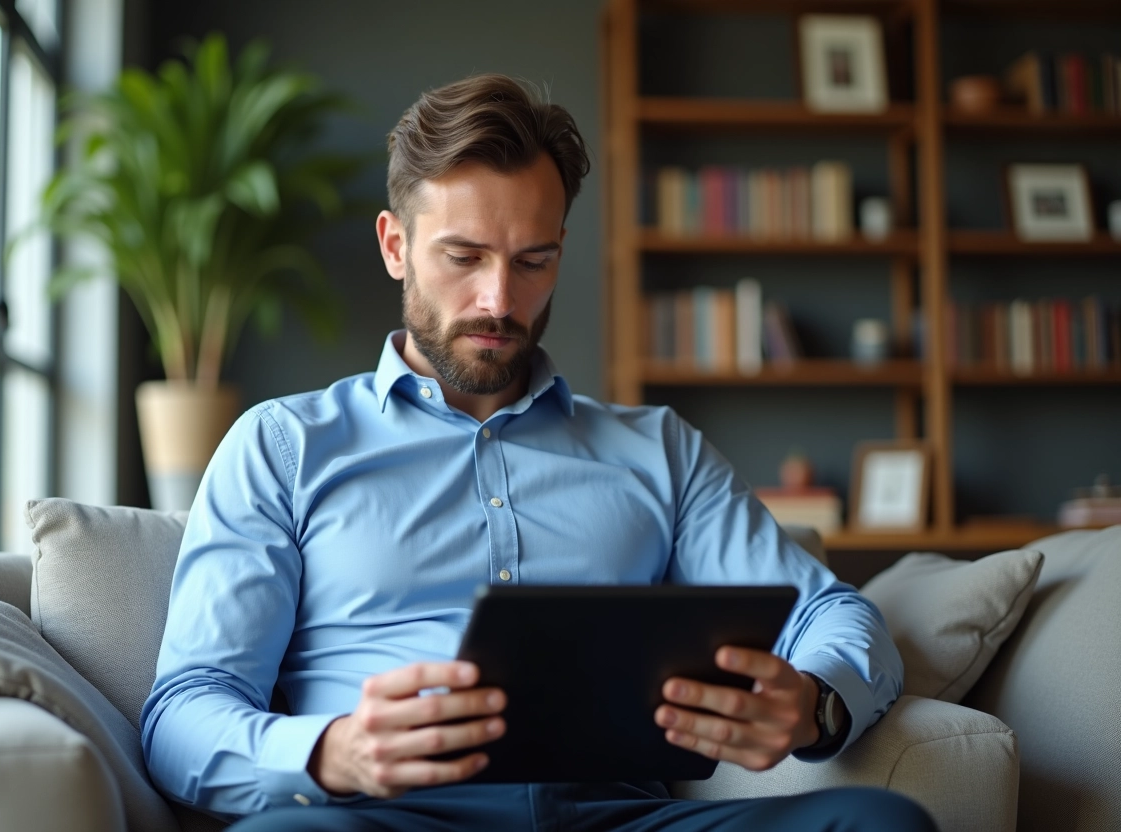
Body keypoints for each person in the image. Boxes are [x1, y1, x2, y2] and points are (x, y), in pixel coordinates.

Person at [141, 73, 935, 832]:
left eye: (533, 261)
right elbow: (185, 711)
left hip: (621, 816)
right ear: (395, 246)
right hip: (379, 818)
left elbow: (831, 613)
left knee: (881, 821)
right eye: (463, 257)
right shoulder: (283, 446)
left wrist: (815, 703)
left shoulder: (657, 452)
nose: (498, 300)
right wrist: (333, 751)